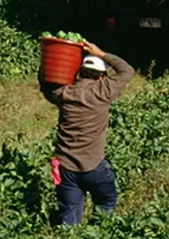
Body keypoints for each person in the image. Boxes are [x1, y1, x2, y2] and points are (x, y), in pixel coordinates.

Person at [39, 41, 134, 226]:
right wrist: (101, 53)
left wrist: (48, 61)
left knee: (69, 216)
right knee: (106, 202)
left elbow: (45, 85)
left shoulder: (65, 94)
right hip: (93, 166)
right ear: (101, 77)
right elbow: (126, 70)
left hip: (65, 167)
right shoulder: (102, 92)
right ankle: (95, 238)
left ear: (80, 72)